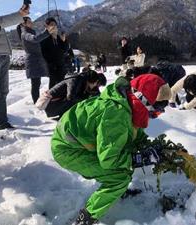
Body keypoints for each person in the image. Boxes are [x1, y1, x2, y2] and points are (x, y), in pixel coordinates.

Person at [51, 74, 171, 224]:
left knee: (125, 161)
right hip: (68, 150)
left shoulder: (126, 103)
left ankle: (115, 193)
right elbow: (110, 160)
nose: (155, 116)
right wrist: (139, 159)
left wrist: (152, 148)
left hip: (83, 142)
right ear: (143, 100)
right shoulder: (116, 115)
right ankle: (86, 218)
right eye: (155, 112)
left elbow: (135, 137)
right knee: (120, 176)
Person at [0, 4, 29, 130]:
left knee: (3, 91)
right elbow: (2, 21)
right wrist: (20, 14)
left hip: (4, 56)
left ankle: (2, 119)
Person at [17, 17, 55, 104]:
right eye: (29, 21)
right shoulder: (25, 33)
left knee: (37, 83)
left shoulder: (30, 32)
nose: (31, 22)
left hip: (36, 61)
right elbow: (35, 39)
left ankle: (37, 102)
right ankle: (36, 103)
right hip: (32, 61)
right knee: (35, 84)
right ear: (23, 24)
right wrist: (47, 31)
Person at [41, 70, 106, 118]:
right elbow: (70, 97)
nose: (96, 86)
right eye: (96, 83)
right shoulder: (75, 80)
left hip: (54, 103)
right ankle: (66, 116)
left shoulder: (83, 81)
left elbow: (95, 95)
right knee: (76, 100)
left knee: (82, 99)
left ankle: (67, 115)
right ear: (93, 80)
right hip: (49, 105)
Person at [41, 17, 69, 89]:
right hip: (51, 65)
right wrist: (49, 63)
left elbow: (65, 49)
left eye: (55, 24)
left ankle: (61, 98)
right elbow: (43, 52)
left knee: (62, 82)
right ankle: (52, 99)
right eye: (51, 24)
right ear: (47, 26)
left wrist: (64, 41)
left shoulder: (58, 37)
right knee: (53, 83)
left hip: (61, 64)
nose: (53, 26)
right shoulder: (44, 38)